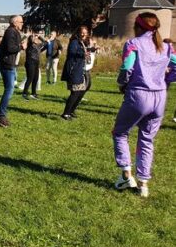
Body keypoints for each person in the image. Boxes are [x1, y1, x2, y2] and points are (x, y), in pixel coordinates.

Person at [111, 13, 176, 198]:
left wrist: (122, 83)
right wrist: (166, 79)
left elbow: (126, 67)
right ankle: (143, 184)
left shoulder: (134, 44)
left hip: (139, 95)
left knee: (120, 133)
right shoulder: (167, 47)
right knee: (147, 139)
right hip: (159, 98)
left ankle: (126, 175)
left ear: (138, 27)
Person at [0, 15, 26, 128]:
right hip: (7, 64)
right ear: (15, 22)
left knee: (10, 88)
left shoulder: (13, 32)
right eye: (21, 22)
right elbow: (10, 48)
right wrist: (21, 47)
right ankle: (0, 115)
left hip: (8, 63)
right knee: (9, 89)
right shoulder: (11, 32)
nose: (23, 24)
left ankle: (1, 115)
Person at [61, 26, 95, 120]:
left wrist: (92, 49)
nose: (84, 34)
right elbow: (72, 52)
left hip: (80, 70)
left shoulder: (82, 42)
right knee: (75, 93)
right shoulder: (74, 42)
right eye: (82, 32)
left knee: (80, 92)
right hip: (73, 70)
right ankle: (66, 113)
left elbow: (85, 51)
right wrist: (82, 54)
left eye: (85, 32)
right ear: (78, 33)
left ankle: (71, 111)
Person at [22, 33, 46, 100]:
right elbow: (22, 41)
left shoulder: (38, 45)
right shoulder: (30, 45)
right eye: (33, 37)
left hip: (36, 62)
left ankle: (33, 93)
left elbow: (45, 43)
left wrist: (39, 36)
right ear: (31, 39)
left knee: (36, 78)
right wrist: (26, 36)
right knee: (30, 78)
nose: (35, 38)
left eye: (35, 37)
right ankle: (24, 93)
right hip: (30, 62)